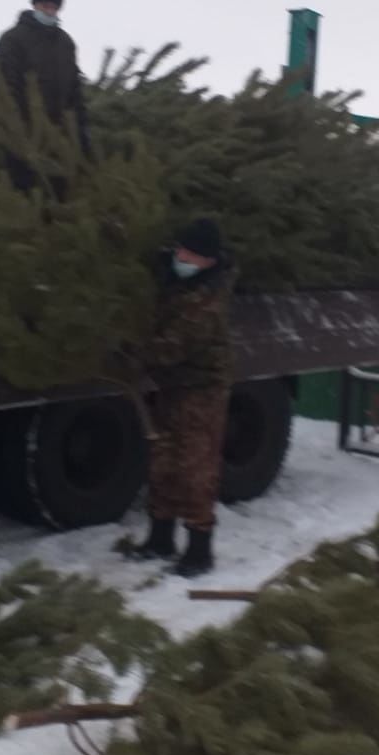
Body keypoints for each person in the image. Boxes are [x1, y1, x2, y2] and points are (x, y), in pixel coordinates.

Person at [134, 218, 234, 579]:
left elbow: (172, 347)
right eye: (179, 250)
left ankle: (199, 548)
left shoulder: (207, 301)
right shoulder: (177, 281)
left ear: (206, 259)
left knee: (195, 467)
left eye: (187, 253)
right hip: (171, 387)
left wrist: (133, 352)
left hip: (201, 390)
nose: (180, 256)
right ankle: (160, 538)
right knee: (162, 460)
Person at [0, 0, 91, 188]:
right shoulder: (12, 39)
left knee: (59, 196)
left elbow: (75, 90)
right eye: (45, 4)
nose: (49, 10)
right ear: (34, 4)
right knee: (27, 195)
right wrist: (20, 132)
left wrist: (80, 132)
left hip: (60, 140)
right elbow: (7, 88)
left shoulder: (66, 43)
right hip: (23, 141)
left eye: (54, 6)